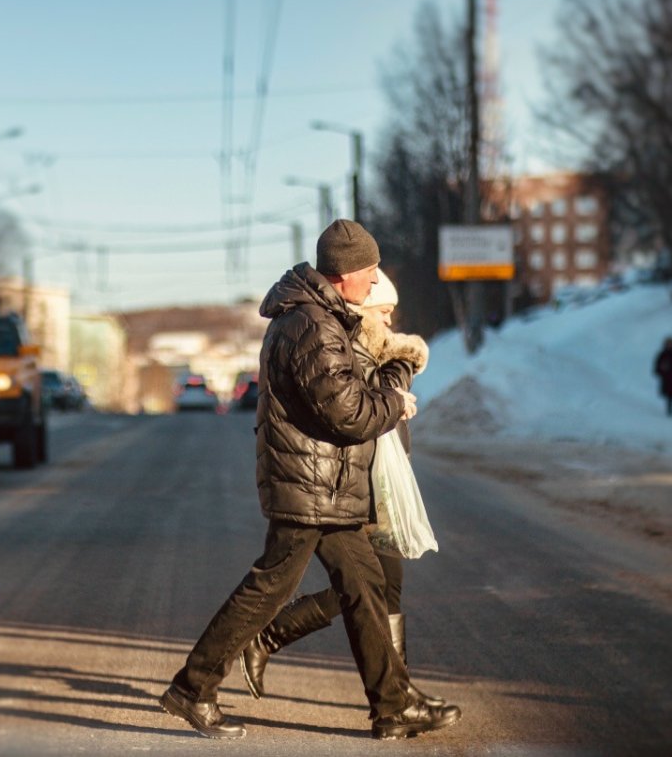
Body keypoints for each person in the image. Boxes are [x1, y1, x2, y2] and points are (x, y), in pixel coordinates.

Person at [159, 220, 461, 741]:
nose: (375, 282)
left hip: (325, 487)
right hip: (310, 487)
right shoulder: (312, 326)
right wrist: (394, 400)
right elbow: (349, 413)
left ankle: (393, 706)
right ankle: (193, 686)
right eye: (370, 272)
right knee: (268, 588)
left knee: (364, 585)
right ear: (344, 273)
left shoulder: (318, 317)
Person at [238, 269, 445, 709]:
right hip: (350, 485)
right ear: (365, 310)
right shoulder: (351, 346)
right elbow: (364, 405)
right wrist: (401, 366)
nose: (390, 321)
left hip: (374, 485)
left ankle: (399, 696)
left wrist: (400, 361)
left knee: (379, 585)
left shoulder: (376, 348)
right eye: (384, 311)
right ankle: (272, 637)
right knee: (366, 586)